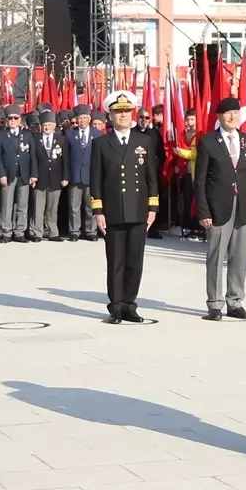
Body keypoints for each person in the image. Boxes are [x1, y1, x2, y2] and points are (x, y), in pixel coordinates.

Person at [91, 91, 159, 324]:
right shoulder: (101, 143)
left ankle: (130, 304)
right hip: (113, 211)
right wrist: (98, 211)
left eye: (126, 112)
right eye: (118, 112)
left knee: (135, 261)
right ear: (110, 116)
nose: (123, 116)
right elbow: (96, 179)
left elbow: (152, 177)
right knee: (116, 261)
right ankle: (116, 306)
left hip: (138, 210)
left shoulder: (144, 141)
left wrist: (152, 208)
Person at [196, 97, 246, 320]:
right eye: (228, 114)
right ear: (219, 116)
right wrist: (203, 211)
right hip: (217, 207)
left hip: (243, 207)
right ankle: (214, 303)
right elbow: (200, 180)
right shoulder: (208, 142)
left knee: (239, 257)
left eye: (236, 113)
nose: (232, 117)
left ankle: (235, 301)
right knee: (216, 256)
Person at [0, 104, 36, 242]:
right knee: (6, 204)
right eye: (10, 118)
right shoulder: (0, 135)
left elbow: (32, 156)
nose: (12, 120)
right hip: (8, 174)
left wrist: (33, 174)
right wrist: (1, 174)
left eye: (15, 118)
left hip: (24, 174)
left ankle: (19, 232)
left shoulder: (27, 135)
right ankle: (6, 232)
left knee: (22, 204)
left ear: (20, 120)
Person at [30, 109, 67, 242]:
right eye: (45, 125)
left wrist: (65, 177)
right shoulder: (35, 138)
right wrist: (33, 175)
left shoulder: (61, 139)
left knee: (52, 207)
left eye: (50, 125)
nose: (47, 127)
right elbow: (32, 158)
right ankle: (37, 232)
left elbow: (66, 160)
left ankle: (52, 232)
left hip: (56, 178)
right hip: (40, 177)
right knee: (38, 207)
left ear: (54, 126)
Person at [66, 103, 101, 241]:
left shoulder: (97, 134)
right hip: (74, 175)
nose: (82, 121)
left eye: (85, 118)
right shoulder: (69, 134)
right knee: (74, 205)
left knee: (90, 205)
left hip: (91, 175)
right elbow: (66, 156)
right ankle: (74, 230)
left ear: (89, 119)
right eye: (79, 118)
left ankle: (90, 231)